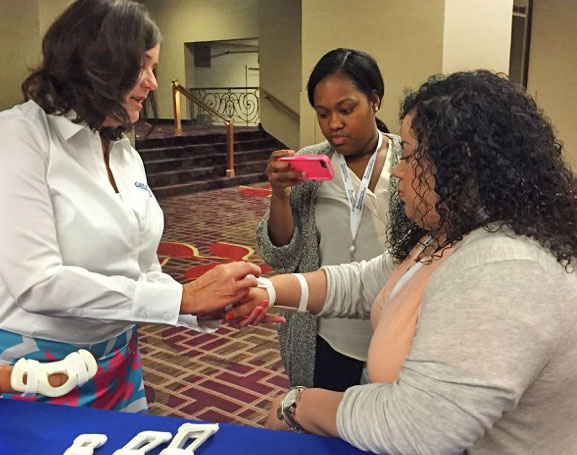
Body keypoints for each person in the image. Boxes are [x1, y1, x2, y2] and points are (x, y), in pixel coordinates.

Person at [230, 70, 577, 454]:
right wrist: (267, 288)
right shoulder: (451, 232)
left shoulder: (507, 267)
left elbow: (418, 426)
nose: (399, 170)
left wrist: (297, 404)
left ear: (459, 166)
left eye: (411, 156)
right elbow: (365, 282)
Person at [0, 0, 279, 413]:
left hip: (118, 359)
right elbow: (39, 284)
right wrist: (183, 300)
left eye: (155, 69)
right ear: (96, 63)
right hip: (36, 367)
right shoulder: (18, 137)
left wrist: (205, 308)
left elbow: (141, 269)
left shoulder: (122, 149)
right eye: (142, 67)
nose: (152, 84)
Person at [256, 48, 403, 390]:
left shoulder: (408, 160)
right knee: (323, 430)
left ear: (375, 101)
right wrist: (280, 195)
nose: (333, 124)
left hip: (395, 332)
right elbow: (281, 256)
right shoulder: (310, 162)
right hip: (325, 333)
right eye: (323, 114)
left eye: (346, 110)